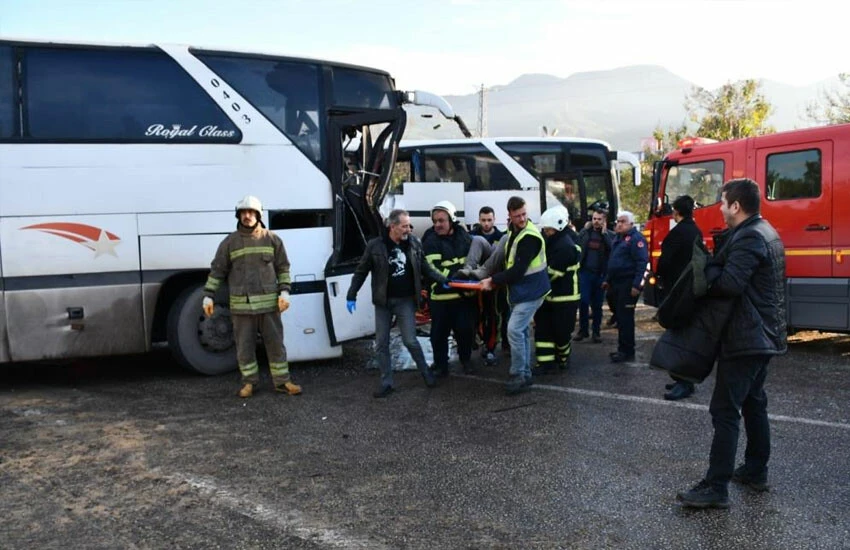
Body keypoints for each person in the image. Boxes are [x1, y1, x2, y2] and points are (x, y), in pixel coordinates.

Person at [677, 178, 786, 509]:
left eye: (723, 203)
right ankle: (755, 470)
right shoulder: (765, 230)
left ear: (736, 206)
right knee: (754, 402)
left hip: (746, 337)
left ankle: (716, 487)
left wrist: (708, 268)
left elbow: (729, 284)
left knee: (725, 410)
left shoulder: (750, 236)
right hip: (761, 334)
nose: (721, 209)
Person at [203, 195, 301, 398]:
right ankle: (249, 383)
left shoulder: (272, 239)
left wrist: (284, 291)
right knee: (244, 347)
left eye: (251, 212)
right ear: (238, 215)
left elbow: (283, 267)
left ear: (258, 214)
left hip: (269, 306)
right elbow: (217, 270)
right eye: (243, 213)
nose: (247, 216)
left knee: (275, 345)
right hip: (242, 308)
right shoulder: (229, 243)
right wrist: (208, 295)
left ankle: (282, 382)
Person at [346, 209, 446, 398]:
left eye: (409, 225)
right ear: (392, 227)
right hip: (383, 302)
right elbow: (361, 271)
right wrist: (352, 294)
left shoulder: (414, 243)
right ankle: (386, 383)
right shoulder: (375, 246)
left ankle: (426, 373)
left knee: (410, 340)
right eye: (404, 225)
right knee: (381, 344)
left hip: (405, 301)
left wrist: (442, 279)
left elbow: (425, 267)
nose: (408, 229)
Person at [480, 196, 550, 394]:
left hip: (531, 291)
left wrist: (492, 280)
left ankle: (518, 374)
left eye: (524, 214)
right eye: (517, 215)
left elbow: (518, 270)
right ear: (509, 215)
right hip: (525, 290)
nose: (521, 219)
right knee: (522, 331)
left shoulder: (529, 236)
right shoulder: (515, 231)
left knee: (514, 330)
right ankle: (525, 373)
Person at [422, 200, 478, 376]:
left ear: (451, 220)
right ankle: (441, 365)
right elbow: (433, 267)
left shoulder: (464, 237)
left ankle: (466, 360)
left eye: (441, 220)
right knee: (438, 335)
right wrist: (455, 277)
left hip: (463, 297)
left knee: (465, 332)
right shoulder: (430, 240)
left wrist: (467, 275)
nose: (437, 224)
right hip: (441, 298)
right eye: (435, 221)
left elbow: (472, 261)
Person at [656, 195, 704, 401]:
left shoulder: (679, 232)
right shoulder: (695, 230)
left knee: (680, 337)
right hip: (687, 289)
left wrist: (658, 276)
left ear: (676, 212)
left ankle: (684, 382)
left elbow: (666, 261)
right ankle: (682, 379)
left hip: (678, 291)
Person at [533, 206, 581, 374]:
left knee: (561, 332)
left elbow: (552, 273)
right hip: (548, 296)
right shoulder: (553, 241)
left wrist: (532, 281)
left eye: (549, 230)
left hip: (565, 297)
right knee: (543, 330)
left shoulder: (565, 246)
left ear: (559, 227)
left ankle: (563, 358)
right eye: (545, 229)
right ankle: (545, 363)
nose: (546, 232)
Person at [602, 211, 648, 363]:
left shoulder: (636, 239)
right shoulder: (618, 238)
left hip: (628, 284)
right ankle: (622, 348)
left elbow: (642, 264)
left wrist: (637, 285)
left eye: (623, 221)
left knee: (626, 318)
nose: (619, 224)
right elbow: (613, 261)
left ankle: (627, 351)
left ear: (631, 224)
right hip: (616, 283)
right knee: (620, 318)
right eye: (618, 221)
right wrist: (608, 279)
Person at [470, 206, 505, 366]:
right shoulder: (472, 237)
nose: (486, 223)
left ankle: (491, 348)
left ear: (494, 219)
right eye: (483, 220)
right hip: (476, 285)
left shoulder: (502, 237)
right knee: (476, 315)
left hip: (495, 284)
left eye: (489, 220)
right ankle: (479, 342)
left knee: (493, 317)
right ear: (479, 220)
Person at [575, 208, 614, 343]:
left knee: (597, 305)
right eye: (594, 219)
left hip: (600, 275)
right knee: (583, 302)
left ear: (604, 221)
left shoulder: (609, 235)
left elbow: (612, 249)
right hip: (585, 273)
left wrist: (605, 235)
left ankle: (596, 332)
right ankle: (583, 330)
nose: (596, 222)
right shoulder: (585, 233)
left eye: (599, 219)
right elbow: (577, 246)